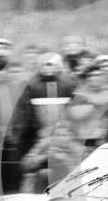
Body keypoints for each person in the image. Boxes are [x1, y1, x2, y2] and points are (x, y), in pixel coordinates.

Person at [14, 53, 78, 193]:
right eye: (45, 64)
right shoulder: (30, 86)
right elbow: (26, 112)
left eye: (51, 64)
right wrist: (37, 130)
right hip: (37, 137)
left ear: (57, 67)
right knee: (35, 170)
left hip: (63, 136)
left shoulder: (68, 84)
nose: (48, 68)